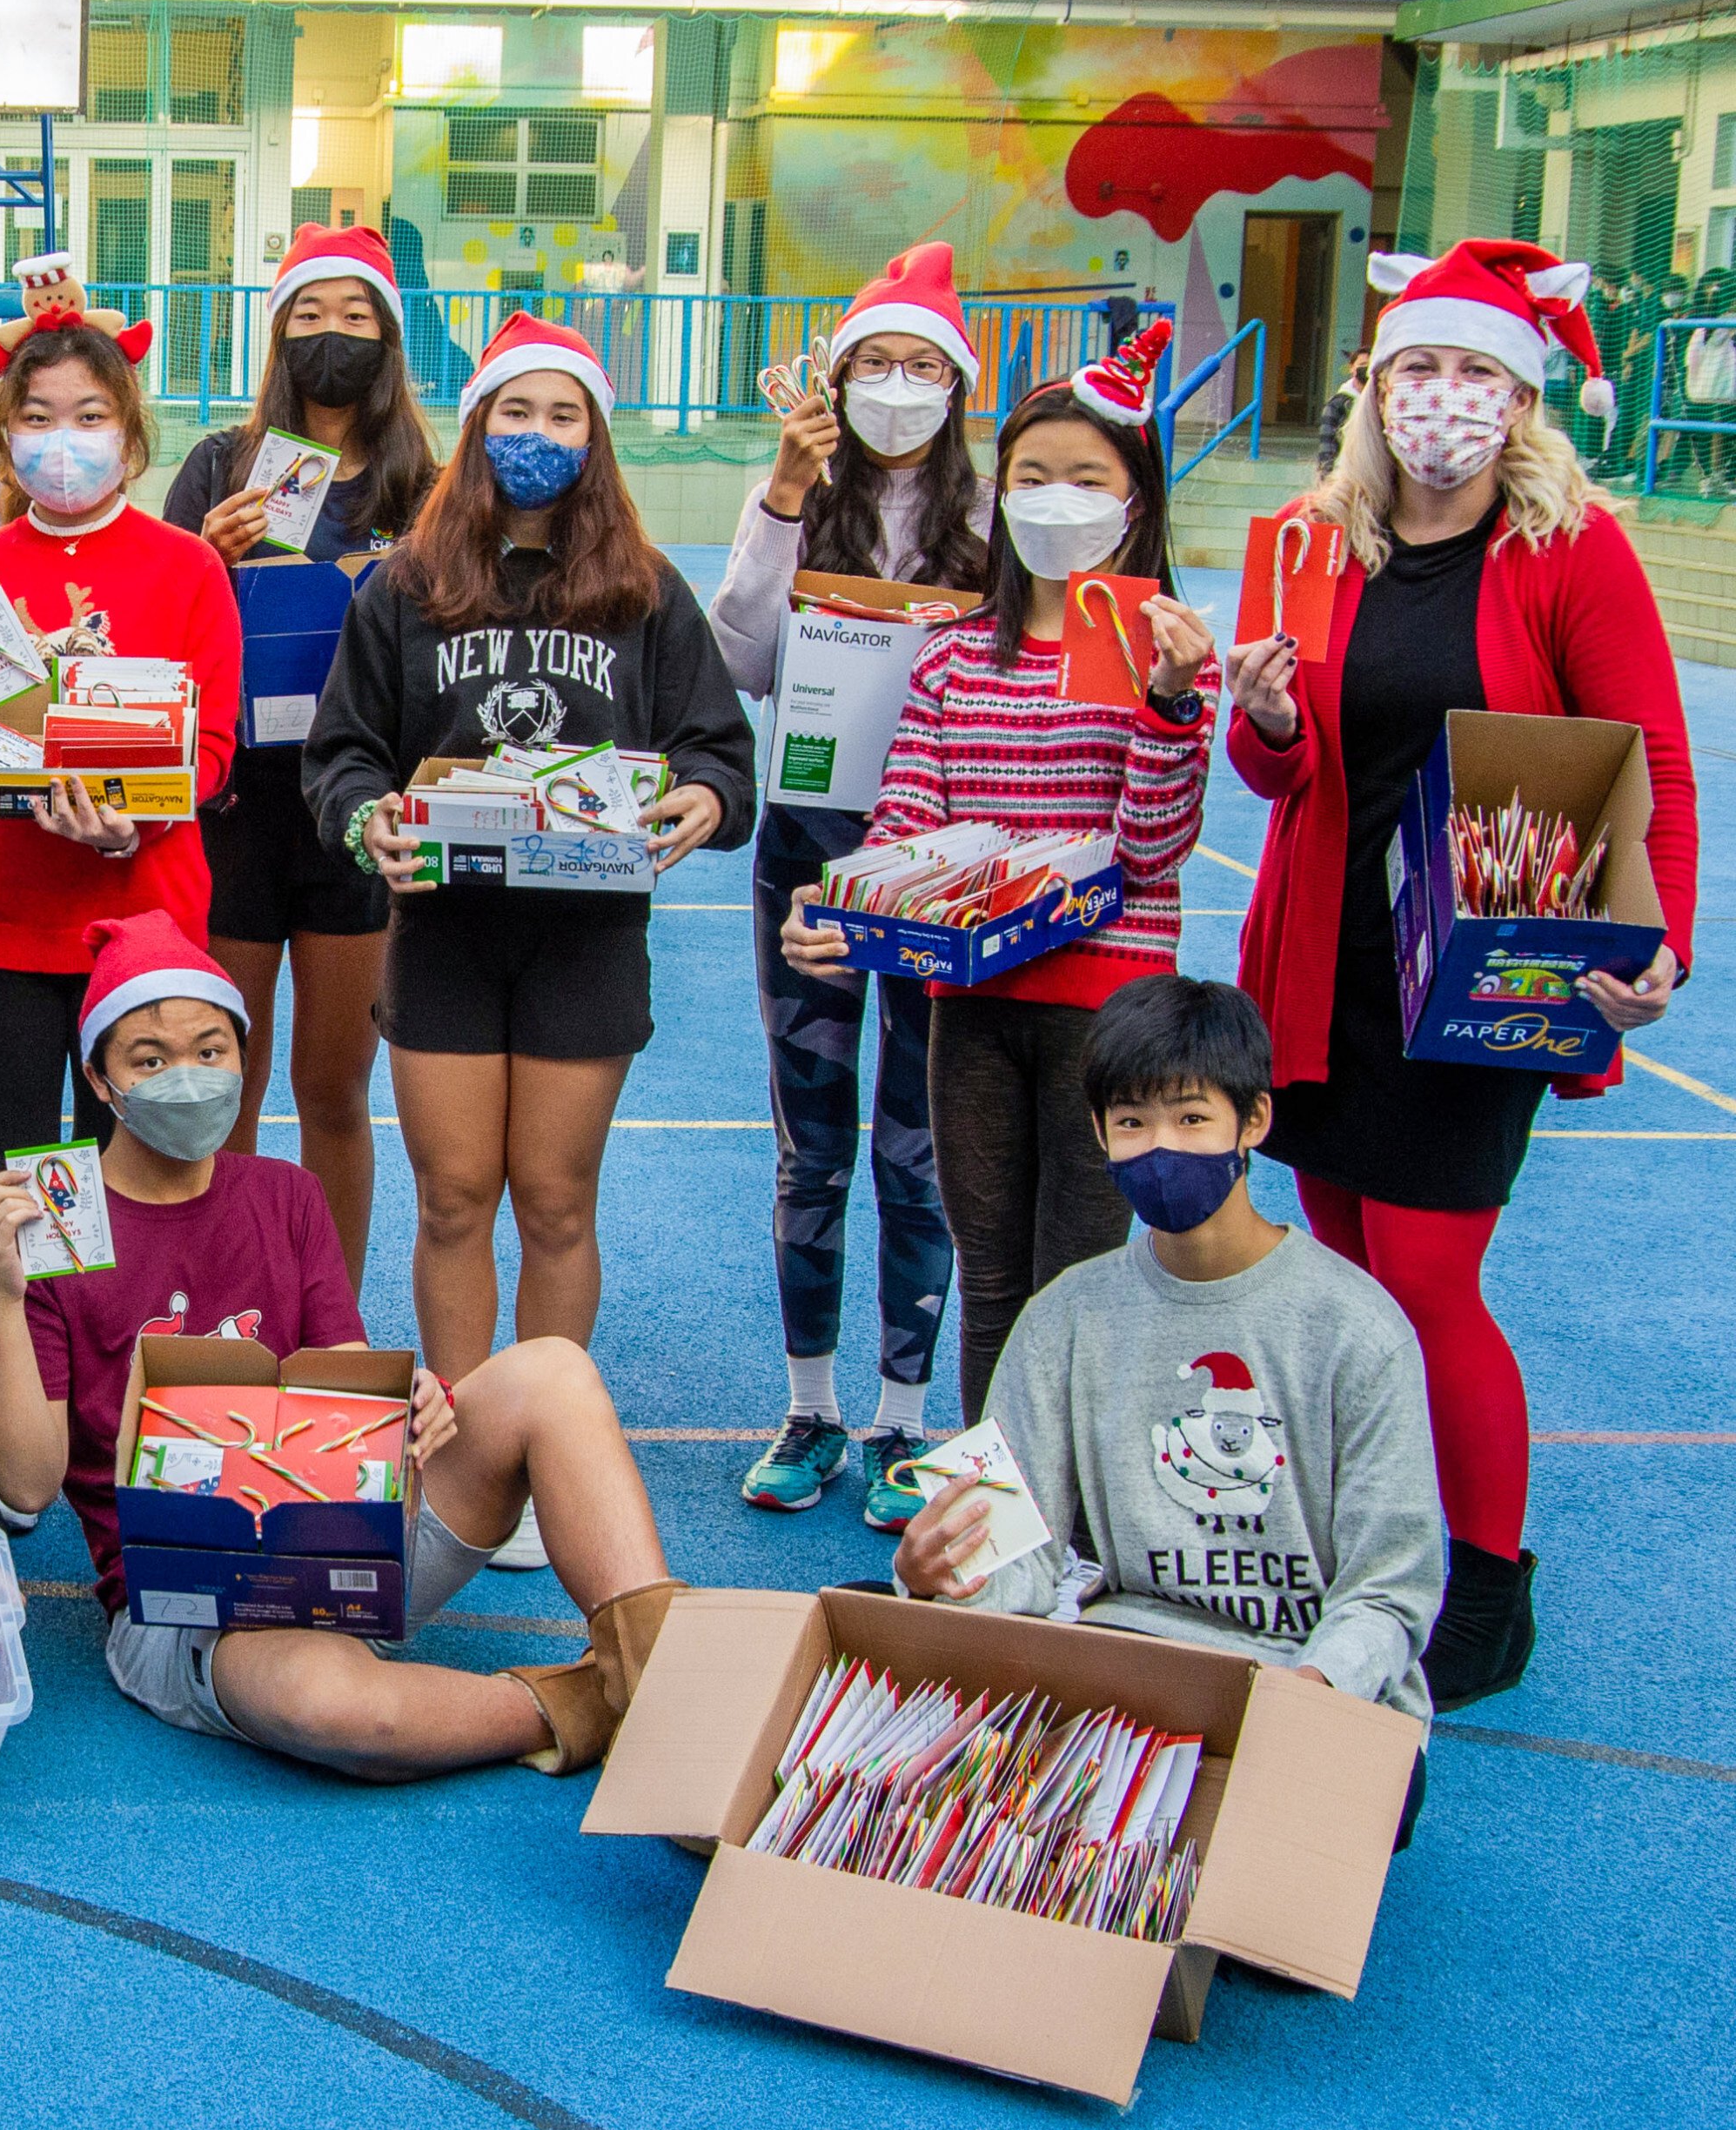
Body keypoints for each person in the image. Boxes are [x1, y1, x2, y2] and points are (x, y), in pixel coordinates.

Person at [1223, 240, 1699, 1708]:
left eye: (1477, 373)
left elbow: (1653, 754)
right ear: (1378, 390)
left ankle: (1486, 1585)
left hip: (1488, 963)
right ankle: (1382, 1544)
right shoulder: (1306, 544)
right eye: (1420, 369)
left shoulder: (1571, 550)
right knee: (1352, 1271)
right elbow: (1271, 774)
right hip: (1326, 961)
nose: (1444, 398)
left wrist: (1659, 935)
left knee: (1433, 1275)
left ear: (1521, 399)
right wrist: (1265, 721)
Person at [0, 914, 687, 1782]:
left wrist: (407, 1412)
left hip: (343, 1537)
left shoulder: (286, 1195)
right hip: (190, 1602)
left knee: (554, 1372)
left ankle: (662, 1676)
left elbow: (342, 1400)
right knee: (338, 1707)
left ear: (242, 1056)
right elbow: (24, 1484)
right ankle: (600, 1704)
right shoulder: (58, 1222)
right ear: (101, 1078)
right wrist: (4, 1297)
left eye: (209, 1050)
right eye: (149, 1059)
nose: (185, 1078)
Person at [781, 325, 1221, 1441]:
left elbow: (1155, 845)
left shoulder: (1165, 651)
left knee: (1075, 1284)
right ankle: (994, 1521)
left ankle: (1074, 1533)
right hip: (972, 1007)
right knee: (987, 1285)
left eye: (1088, 479)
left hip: (1105, 1015)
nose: (1057, 500)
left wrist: (1172, 703)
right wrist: (843, 906)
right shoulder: (954, 653)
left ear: (1137, 499)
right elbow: (910, 817)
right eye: (1033, 477)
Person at [306, 313, 754, 1383]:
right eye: (517, 411)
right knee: (454, 1198)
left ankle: (541, 1437)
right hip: (446, 932)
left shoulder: (645, 588)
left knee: (557, 1200)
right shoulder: (403, 589)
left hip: (586, 937)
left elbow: (718, 751)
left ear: (596, 437)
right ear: (476, 428)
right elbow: (343, 755)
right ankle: (467, 1438)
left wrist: (703, 798)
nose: (539, 433)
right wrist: (368, 821)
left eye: (565, 414)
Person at [895, 978, 1443, 1773]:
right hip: (1127, 1665)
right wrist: (938, 1581)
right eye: (1131, 1122)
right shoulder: (1061, 1315)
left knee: (1360, 1794)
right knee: (871, 1623)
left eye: (1191, 1118)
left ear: (1252, 1118)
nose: (1162, 1147)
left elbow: (1391, 1590)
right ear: (1098, 1132)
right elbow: (1006, 1544)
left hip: (1301, 1679)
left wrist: (1310, 1694)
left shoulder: (1360, 1328)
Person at [705, 245, 991, 1527]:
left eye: (920, 365)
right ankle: (809, 1404)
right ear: (830, 378)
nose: (894, 386)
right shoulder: (793, 501)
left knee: (921, 1154)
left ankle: (901, 1418)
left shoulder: (992, 527)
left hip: (945, 866)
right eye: (872, 362)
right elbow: (737, 660)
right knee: (809, 1143)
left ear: (955, 386)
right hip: (808, 858)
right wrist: (778, 493)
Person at [0, 308, 242, 1302]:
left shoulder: (188, 567)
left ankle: (107, 1412)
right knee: (5, 1188)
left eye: (89, 415)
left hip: (144, 928)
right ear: (7, 435)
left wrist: (138, 818)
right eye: (38, 416)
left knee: (131, 1185)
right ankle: (14, 1420)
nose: (63, 440)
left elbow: (211, 750)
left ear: (131, 438)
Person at [159, 224, 439, 1280]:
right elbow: (153, 635)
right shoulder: (220, 469)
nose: (333, 335)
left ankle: (327, 1316)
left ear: (390, 339)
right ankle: (214, 1300)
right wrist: (204, 561)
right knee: (219, 1081)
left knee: (333, 1091)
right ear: (279, 334)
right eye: (311, 315)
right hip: (235, 809)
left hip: (357, 816)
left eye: (356, 315)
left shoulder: (425, 484)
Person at [1315, 346, 1372, 477]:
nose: (1367, 369)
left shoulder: (1383, 401)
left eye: (1370, 365)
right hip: (1345, 473)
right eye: (1362, 364)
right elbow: (1327, 443)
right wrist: (1327, 475)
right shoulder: (1337, 405)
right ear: (1352, 368)